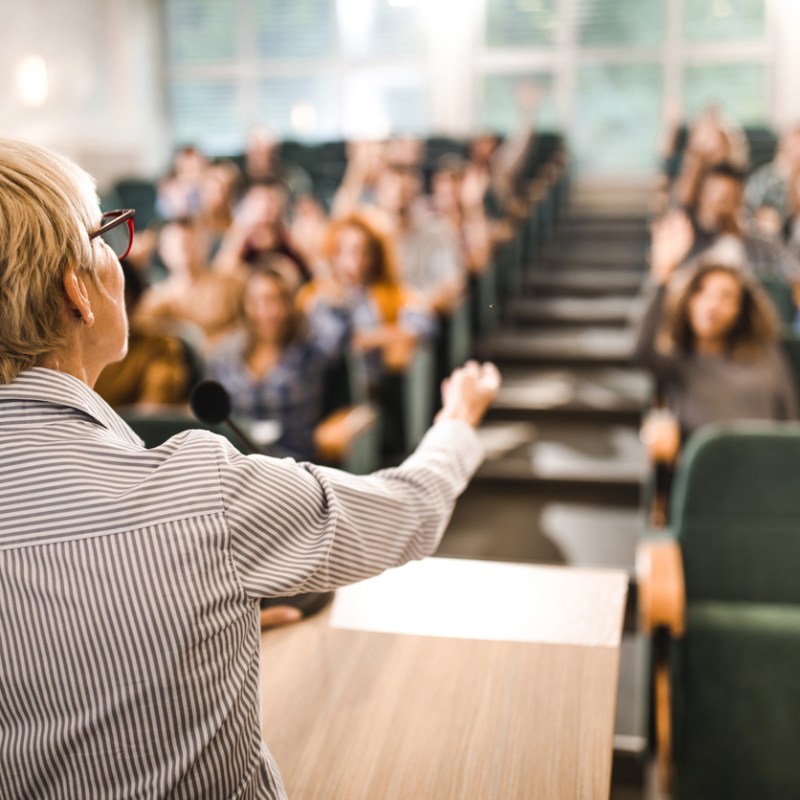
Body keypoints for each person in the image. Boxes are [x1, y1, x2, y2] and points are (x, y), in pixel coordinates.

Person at [0, 138, 500, 799]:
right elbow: (407, 511)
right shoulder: (201, 491)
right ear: (77, 292)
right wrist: (458, 423)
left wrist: (169, 631)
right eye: (104, 237)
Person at [634, 212, 799, 467]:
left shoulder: (765, 353)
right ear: (687, 301)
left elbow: (791, 418)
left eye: (726, 297)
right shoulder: (680, 360)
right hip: (711, 484)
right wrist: (661, 277)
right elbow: (641, 349)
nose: (711, 305)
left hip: (769, 473)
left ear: (741, 310)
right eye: (702, 293)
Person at [207, 264, 340, 460]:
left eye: (277, 300)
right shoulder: (224, 355)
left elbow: (339, 326)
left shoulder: (310, 350)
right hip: (236, 462)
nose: (268, 311)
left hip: (292, 463)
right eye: (257, 301)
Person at [136, 217, 245, 351]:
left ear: (206, 244)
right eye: (176, 244)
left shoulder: (232, 283)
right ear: (164, 252)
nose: (185, 250)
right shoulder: (161, 296)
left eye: (191, 242)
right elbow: (140, 323)